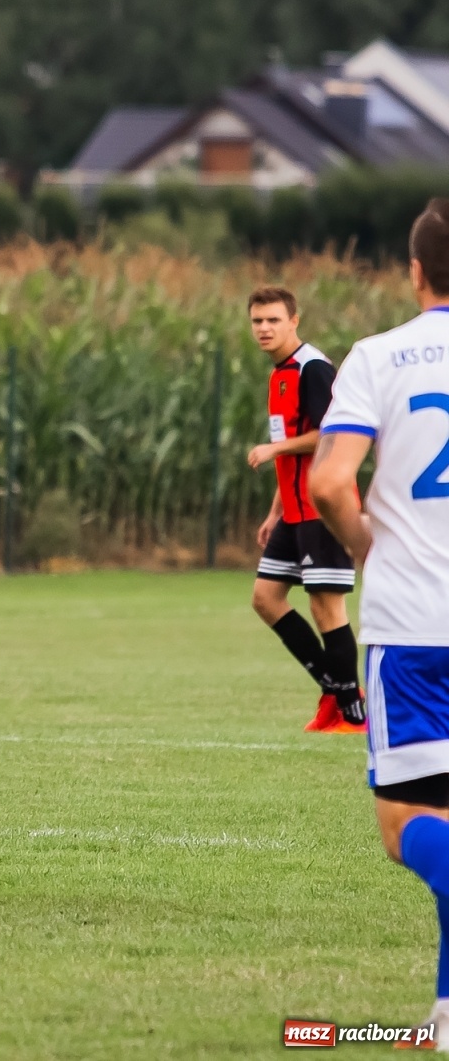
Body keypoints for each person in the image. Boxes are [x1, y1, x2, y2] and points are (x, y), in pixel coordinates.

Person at [310, 197, 449, 1039]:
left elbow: (331, 482)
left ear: (414, 271)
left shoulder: (380, 355)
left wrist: (367, 545)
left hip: (414, 623)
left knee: (406, 828)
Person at [245, 286, 364, 733]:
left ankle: (352, 713)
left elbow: (330, 435)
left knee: (326, 607)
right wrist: (275, 511)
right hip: (293, 510)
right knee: (265, 598)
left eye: (273, 320)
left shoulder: (312, 368)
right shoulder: (280, 373)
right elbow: (294, 452)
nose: (264, 328)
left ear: (294, 321)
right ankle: (336, 690)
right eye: (257, 321)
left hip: (322, 508)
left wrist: (274, 449)